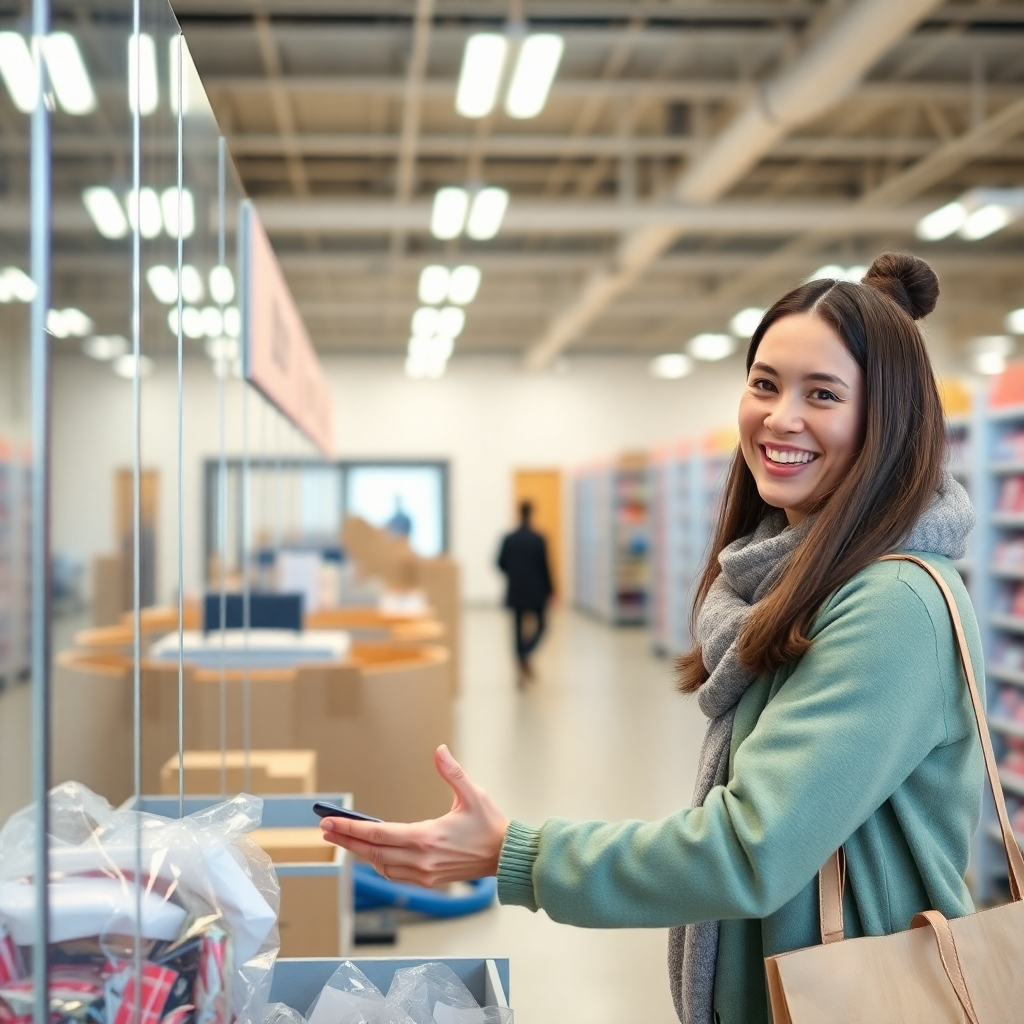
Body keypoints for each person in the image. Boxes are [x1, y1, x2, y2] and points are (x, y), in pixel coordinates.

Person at [319, 253, 983, 1024]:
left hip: (865, 999)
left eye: (823, 395)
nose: (780, 417)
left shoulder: (893, 605)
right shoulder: (792, 581)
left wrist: (516, 854)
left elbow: (747, 850)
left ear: (887, 422)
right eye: (764, 383)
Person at [496, 501, 554, 683]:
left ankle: (521, 657)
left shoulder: (509, 538)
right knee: (542, 626)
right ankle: (525, 653)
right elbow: (546, 567)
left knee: (516, 628)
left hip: (516, 589)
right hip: (536, 591)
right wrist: (551, 590)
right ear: (531, 513)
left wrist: (514, 574)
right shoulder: (538, 539)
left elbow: (499, 563)